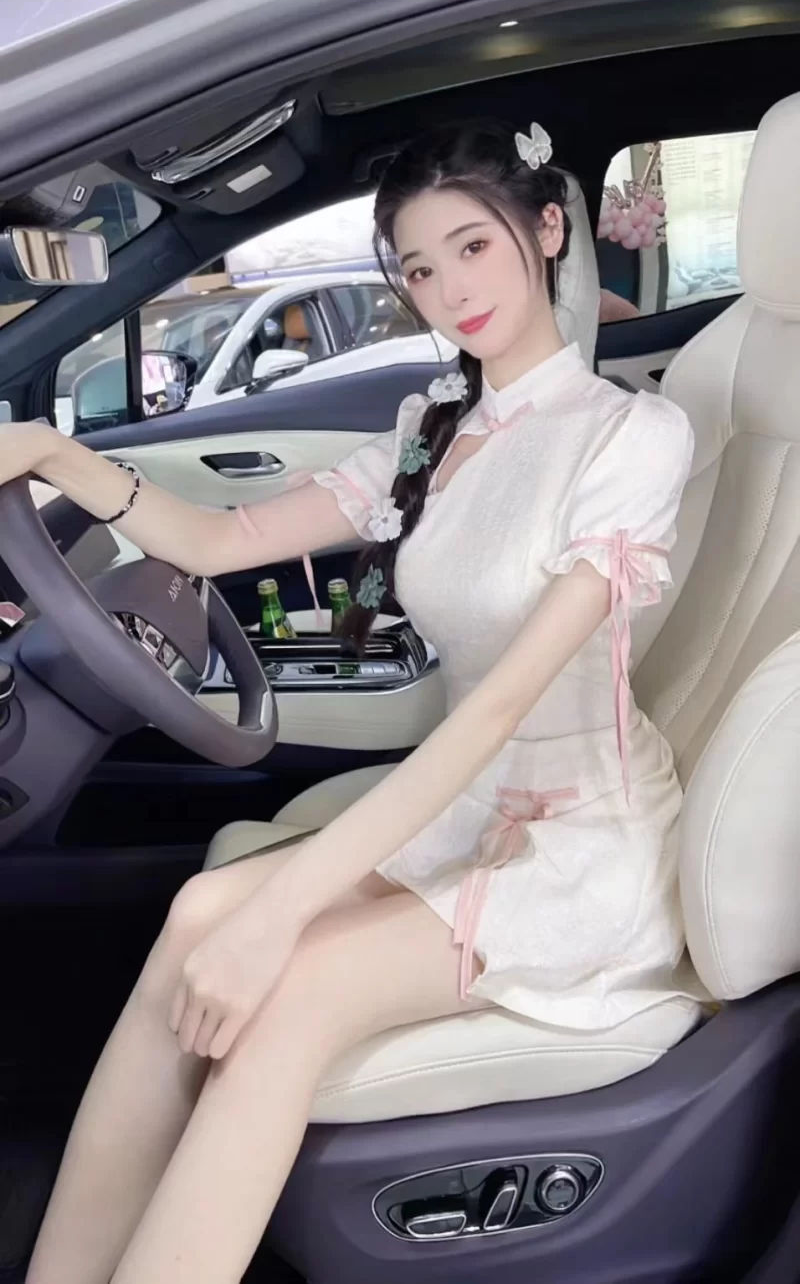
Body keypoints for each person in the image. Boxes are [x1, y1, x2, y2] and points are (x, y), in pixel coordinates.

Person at [4, 121, 696, 1284]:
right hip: (465, 812)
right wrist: (51, 453)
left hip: (573, 850)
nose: (449, 290)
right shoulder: (435, 431)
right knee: (198, 911)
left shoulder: (629, 436)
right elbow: (222, 539)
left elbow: (491, 711)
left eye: (472, 246)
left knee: (292, 983)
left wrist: (283, 915)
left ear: (545, 229)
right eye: (418, 268)